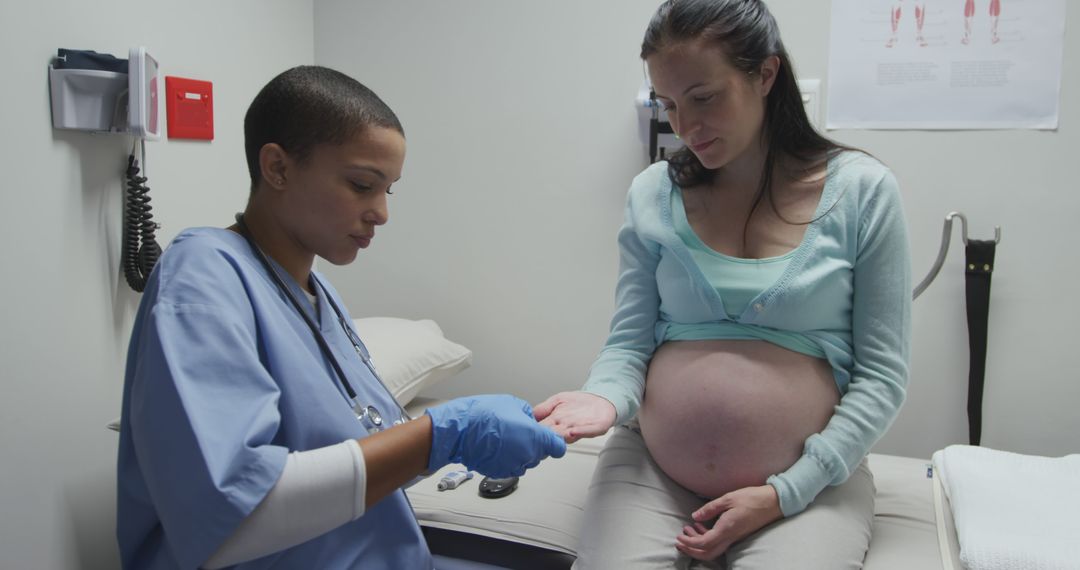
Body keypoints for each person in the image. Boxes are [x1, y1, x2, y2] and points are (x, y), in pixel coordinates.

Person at [116, 65, 566, 570]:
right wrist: (441, 435)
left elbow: (360, 447)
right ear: (278, 168)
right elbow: (229, 520)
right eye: (361, 185)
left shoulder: (317, 291)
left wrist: (471, 435)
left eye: (387, 190)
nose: (381, 213)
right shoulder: (202, 274)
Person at [535, 0, 911, 568]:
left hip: (806, 484)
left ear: (765, 73)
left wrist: (788, 491)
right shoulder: (652, 193)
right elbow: (629, 343)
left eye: (704, 98)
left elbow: (882, 376)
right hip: (653, 471)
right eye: (668, 104)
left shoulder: (864, 192)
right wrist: (604, 399)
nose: (683, 127)